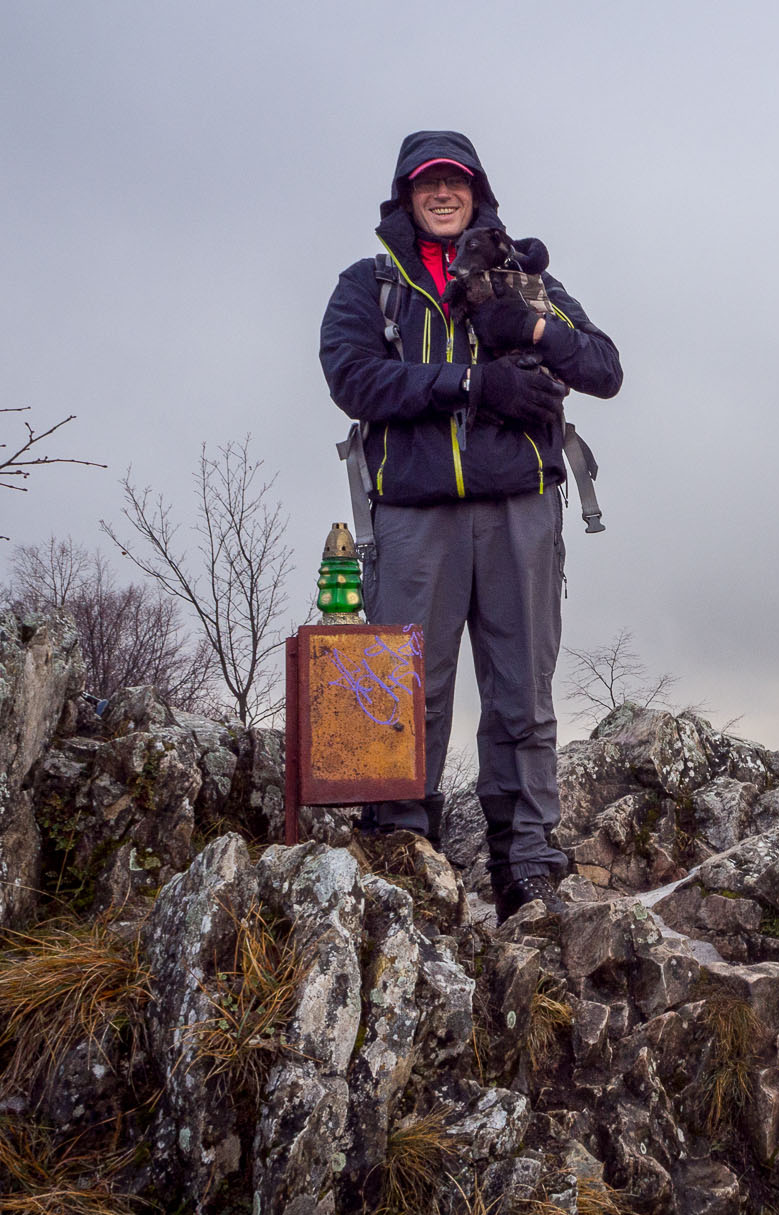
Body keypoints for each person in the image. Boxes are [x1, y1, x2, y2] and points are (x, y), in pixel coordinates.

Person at [320, 130, 622, 920]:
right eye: (428, 185)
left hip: (521, 508)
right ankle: (400, 849)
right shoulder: (371, 283)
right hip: (414, 517)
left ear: (477, 189)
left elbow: (604, 369)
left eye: (455, 182)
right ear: (405, 198)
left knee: (523, 691)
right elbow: (353, 378)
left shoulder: (523, 277)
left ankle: (525, 858)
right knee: (401, 693)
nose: (443, 194)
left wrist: (528, 330)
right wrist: (469, 383)